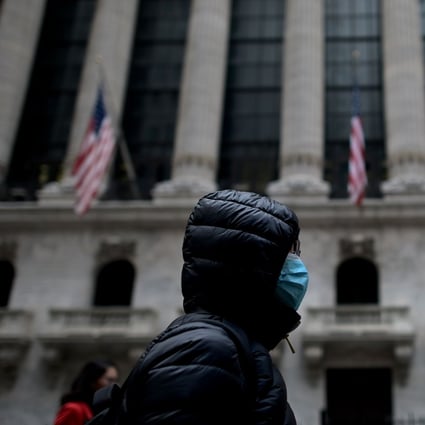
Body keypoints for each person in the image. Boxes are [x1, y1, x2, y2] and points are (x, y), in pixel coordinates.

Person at [122, 189, 309, 424]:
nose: (299, 266)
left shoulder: (232, 345)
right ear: (253, 265)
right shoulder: (208, 349)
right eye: (291, 254)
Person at [53, 360, 119, 425]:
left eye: (116, 380)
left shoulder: (103, 408)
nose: (114, 385)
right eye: (109, 380)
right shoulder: (73, 409)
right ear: (93, 381)